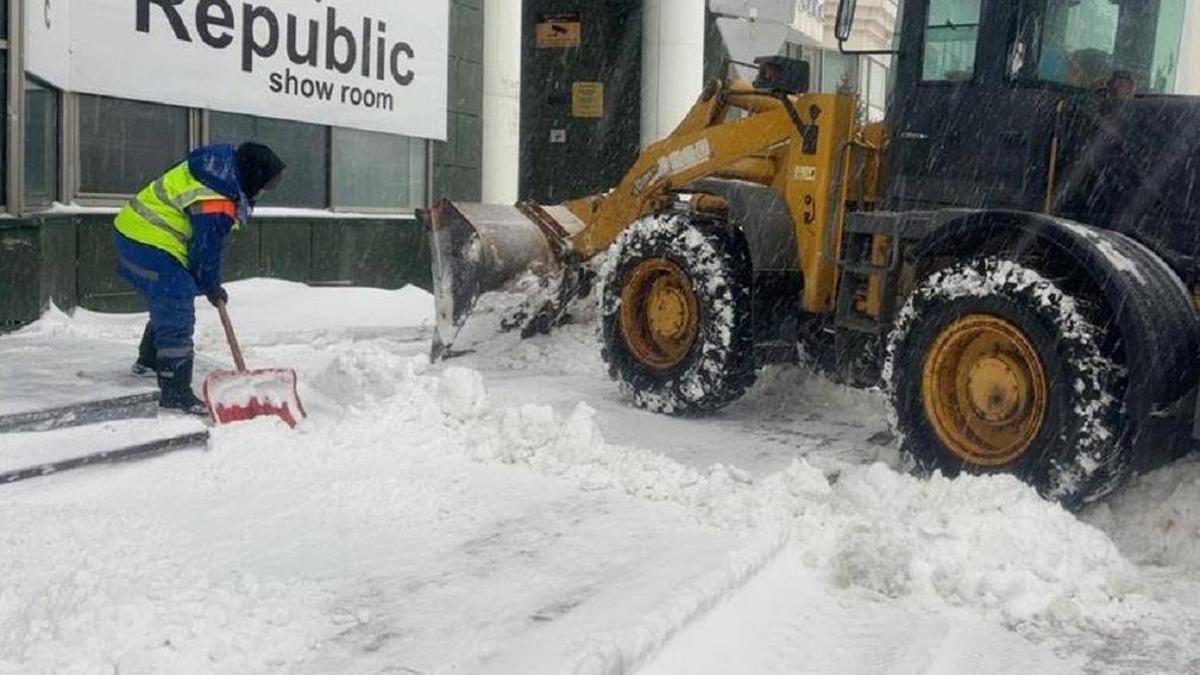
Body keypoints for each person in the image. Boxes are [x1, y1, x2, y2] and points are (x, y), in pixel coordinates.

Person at [113, 143, 286, 414]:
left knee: (169, 298)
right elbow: (205, 250)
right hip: (144, 239)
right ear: (253, 175)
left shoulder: (218, 171)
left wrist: (209, 283)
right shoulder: (217, 198)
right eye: (266, 184)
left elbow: (204, 248)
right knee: (175, 300)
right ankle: (176, 392)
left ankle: (150, 361)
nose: (264, 191)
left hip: (138, 231)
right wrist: (211, 285)